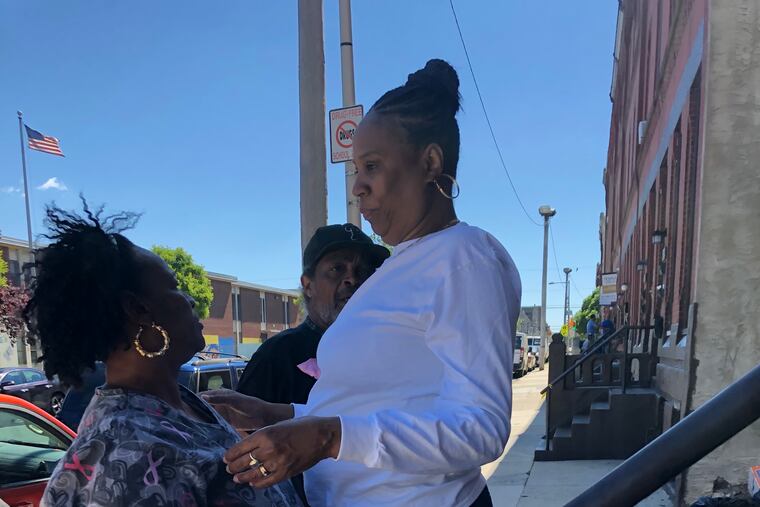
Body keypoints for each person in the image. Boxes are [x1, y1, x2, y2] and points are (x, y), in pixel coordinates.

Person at [205, 59, 521, 507]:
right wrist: (276, 414)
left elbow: (481, 429)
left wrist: (326, 437)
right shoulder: (401, 265)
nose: (358, 188)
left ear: (430, 162)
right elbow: (376, 405)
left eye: (371, 167)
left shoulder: (463, 258)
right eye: (356, 171)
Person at [24, 202, 300, 506]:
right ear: (139, 311)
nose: (190, 300)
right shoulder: (124, 455)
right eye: (175, 288)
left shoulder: (185, 403)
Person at [236, 223, 389, 405]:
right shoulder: (276, 357)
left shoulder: (389, 347)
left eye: (363, 270)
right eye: (337, 268)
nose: (352, 279)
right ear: (308, 285)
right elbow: (244, 430)